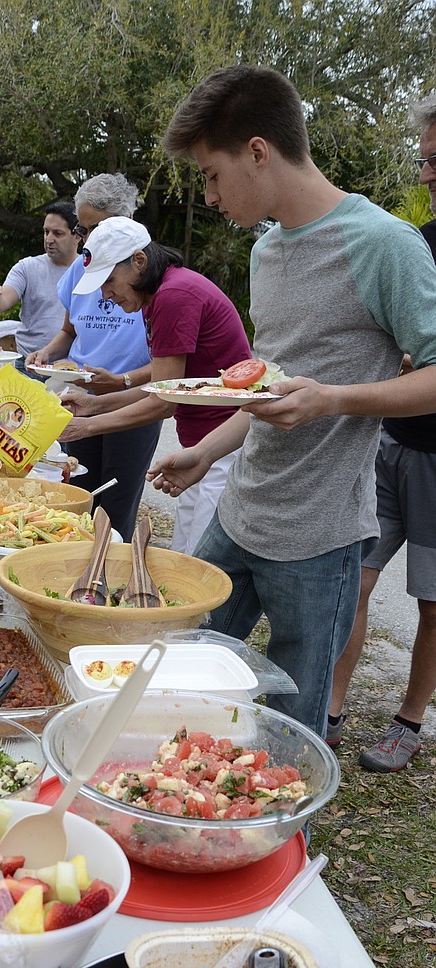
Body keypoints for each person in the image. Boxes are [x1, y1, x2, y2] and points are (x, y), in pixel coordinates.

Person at [149, 65, 436, 739]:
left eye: (213, 175)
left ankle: (283, 840)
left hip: (320, 538)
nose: (211, 196)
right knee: (179, 679)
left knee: (289, 729)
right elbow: (268, 390)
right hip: (239, 512)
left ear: (258, 151)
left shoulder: (385, 243)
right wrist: (201, 451)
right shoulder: (266, 251)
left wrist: (333, 398)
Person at [327, 94, 436, 771]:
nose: (426, 175)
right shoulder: (418, 244)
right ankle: (329, 710)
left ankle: (409, 719)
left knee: (433, 602)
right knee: (354, 580)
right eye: (425, 159)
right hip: (389, 441)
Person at [58, 216, 251, 554]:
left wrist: (86, 427)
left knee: (201, 567)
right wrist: (95, 404)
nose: (105, 294)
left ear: (139, 261)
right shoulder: (158, 294)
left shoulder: (174, 295)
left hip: (223, 447)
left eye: (109, 280)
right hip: (201, 446)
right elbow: (166, 382)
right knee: (184, 556)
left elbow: (164, 402)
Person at [25, 174, 159, 540]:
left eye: (94, 229)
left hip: (130, 402)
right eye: (82, 230)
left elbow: (169, 366)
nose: (85, 241)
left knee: (115, 507)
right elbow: (69, 332)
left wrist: (123, 381)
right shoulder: (78, 271)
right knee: (77, 499)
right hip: (79, 397)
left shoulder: (150, 278)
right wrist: (46, 353)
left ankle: (107, 578)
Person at [0, 201, 80, 369]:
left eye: (57, 233)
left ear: (77, 235)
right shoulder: (27, 267)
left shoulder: (89, 271)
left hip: (70, 367)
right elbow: (3, 300)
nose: (49, 239)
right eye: (46, 232)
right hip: (28, 364)